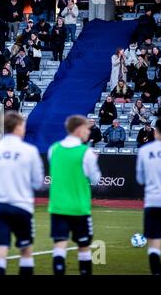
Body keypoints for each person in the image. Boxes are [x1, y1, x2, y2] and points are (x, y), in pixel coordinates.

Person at [0, 112, 44, 275]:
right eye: (23, 126)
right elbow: (37, 181)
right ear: (18, 127)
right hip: (21, 205)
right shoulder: (29, 150)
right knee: (25, 250)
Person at [48, 115, 101, 275]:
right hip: (79, 208)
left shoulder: (54, 149)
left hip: (58, 206)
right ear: (78, 130)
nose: (88, 132)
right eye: (86, 129)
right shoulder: (86, 152)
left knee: (59, 246)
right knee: (84, 248)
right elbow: (95, 179)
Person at [136, 118, 161, 275]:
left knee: (154, 244)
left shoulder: (144, 151)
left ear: (155, 131)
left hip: (153, 202)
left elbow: (140, 179)